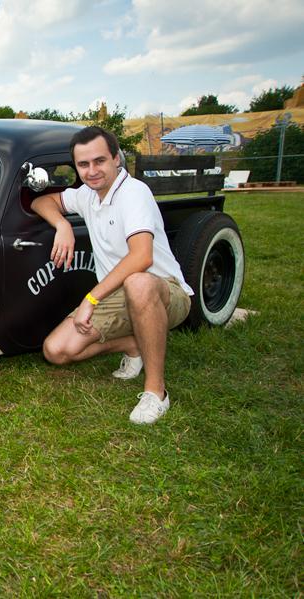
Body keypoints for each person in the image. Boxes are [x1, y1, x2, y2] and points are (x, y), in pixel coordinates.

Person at [30, 126, 192, 424]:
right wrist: (62, 225)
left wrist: (91, 299)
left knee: (138, 283)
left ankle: (156, 392)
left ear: (116, 159)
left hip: (166, 292)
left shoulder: (134, 193)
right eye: (83, 164)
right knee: (56, 350)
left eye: (99, 161)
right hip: (118, 295)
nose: (92, 171)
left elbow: (142, 257)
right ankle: (134, 345)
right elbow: (40, 202)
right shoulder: (87, 195)